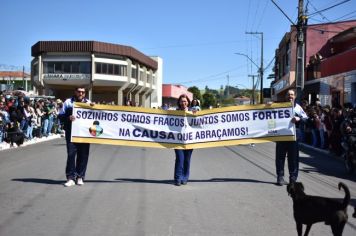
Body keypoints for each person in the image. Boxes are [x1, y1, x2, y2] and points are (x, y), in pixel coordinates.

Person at [59, 87, 93, 187]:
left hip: (85, 134)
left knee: (83, 156)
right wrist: (68, 118)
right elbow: (60, 116)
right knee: (71, 155)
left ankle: (80, 177)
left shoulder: (89, 103)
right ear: (75, 92)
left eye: (83, 92)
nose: (81, 93)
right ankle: (70, 178)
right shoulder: (68, 102)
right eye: (79, 91)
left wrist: (95, 108)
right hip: (71, 134)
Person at [275, 89, 308, 186]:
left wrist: (299, 118)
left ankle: (293, 179)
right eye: (288, 94)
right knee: (280, 158)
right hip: (281, 136)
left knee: (293, 158)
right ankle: (280, 177)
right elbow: (269, 114)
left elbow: (306, 120)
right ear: (285, 96)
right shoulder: (279, 107)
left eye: (292, 94)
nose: (290, 96)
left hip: (294, 137)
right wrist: (267, 106)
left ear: (295, 96)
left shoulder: (298, 108)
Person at [174, 94, 194, 186]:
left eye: (185, 101)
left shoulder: (193, 112)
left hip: (190, 140)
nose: (183, 103)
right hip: (178, 140)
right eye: (182, 101)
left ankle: (185, 178)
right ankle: (178, 178)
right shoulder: (175, 112)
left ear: (188, 102)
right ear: (179, 102)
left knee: (187, 160)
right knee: (179, 159)